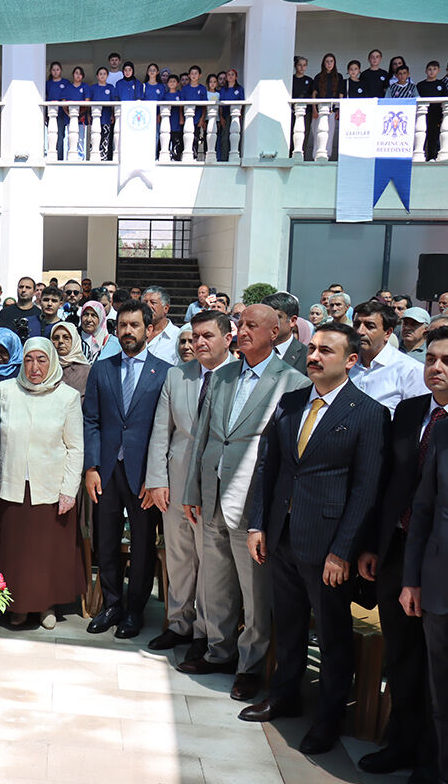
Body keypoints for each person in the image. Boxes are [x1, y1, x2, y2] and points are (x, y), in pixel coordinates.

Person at [240, 323, 389, 756]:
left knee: (332, 635)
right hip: (282, 538)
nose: (315, 356)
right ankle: (285, 696)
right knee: (287, 626)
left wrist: (343, 550)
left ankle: (327, 718)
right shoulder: (289, 403)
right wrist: (257, 524)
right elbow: (268, 467)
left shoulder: (368, 413)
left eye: (327, 350)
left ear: (351, 361)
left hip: (327, 547)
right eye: (313, 348)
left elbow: (365, 490)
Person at [179, 305, 310, 701]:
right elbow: (202, 436)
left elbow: (285, 454)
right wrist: (190, 491)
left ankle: (251, 666)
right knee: (215, 582)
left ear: (276, 332)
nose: (244, 331)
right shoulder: (223, 376)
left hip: (252, 502)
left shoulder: (291, 381)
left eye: (253, 326)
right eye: (241, 324)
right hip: (210, 492)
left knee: (255, 594)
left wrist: (270, 511)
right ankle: (218, 651)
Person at [356, 325, 448, 784]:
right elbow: (388, 481)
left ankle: (434, 763)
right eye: (431, 358)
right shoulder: (412, 410)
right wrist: (375, 543)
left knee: (442, 670)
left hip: (444, 565)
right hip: (399, 550)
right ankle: (400, 741)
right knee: (402, 657)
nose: (436, 368)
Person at [142, 310, 235, 659]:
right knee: (179, 558)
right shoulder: (177, 376)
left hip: (214, 489)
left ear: (228, 338)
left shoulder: (237, 377)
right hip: (176, 483)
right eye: (195, 336)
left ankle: (208, 634)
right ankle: (179, 622)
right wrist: (157, 480)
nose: (199, 342)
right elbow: (160, 433)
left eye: (207, 335)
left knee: (212, 565)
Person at [83, 299, 172, 639]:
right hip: (106, 470)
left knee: (142, 544)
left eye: (134, 325)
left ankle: (135, 610)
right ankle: (111, 604)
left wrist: (157, 476)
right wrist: (91, 466)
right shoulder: (102, 369)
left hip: (144, 474)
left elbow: (166, 429)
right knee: (105, 540)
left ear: (149, 329)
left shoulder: (164, 372)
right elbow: (91, 420)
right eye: (122, 326)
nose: (128, 332)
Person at [0, 337, 84, 628]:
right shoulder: (5, 391)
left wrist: (69, 490)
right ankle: (16, 605)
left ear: (52, 361)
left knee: (46, 552)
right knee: (17, 550)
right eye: (29, 359)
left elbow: (75, 447)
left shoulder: (67, 397)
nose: (34, 367)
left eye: (41, 360)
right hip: (12, 483)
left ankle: (46, 606)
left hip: (50, 486)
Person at [349, 299, 427, 416]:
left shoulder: (411, 371)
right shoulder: (345, 364)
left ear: (388, 333)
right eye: (356, 325)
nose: (360, 331)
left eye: (369, 326)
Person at [263, 291, 309, 374]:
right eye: (265, 317)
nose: (268, 322)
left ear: (292, 321)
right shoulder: (252, 351)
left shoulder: (306, 357)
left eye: (277, 317)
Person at [50, 322, 91, 396]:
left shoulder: (87, 371)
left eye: (66, 337)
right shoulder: (47, 369)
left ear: (75, 340)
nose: (61, 341)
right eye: (56, 338)